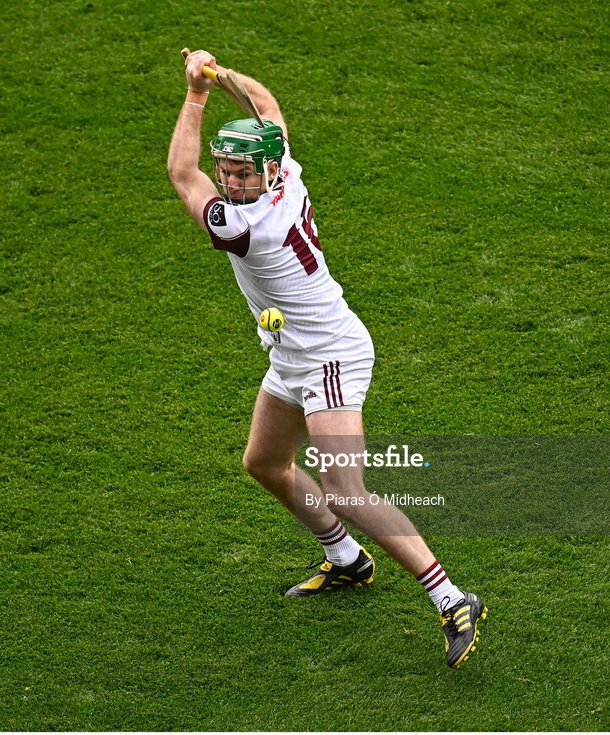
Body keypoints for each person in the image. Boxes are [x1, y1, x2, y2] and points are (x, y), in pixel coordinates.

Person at [167, 49, 486, 668]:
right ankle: (347, 559)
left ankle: (453, 598)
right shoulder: (282, 167)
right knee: (264, 462)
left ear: (264, 176)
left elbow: (182, 172)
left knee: (346, 490)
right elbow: (267, 106)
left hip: (329, 356)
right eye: (225, 170)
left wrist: (196, 94)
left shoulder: (243, 226)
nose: (229, 181)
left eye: (240, 172)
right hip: (292, 353)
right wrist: (223, 75)